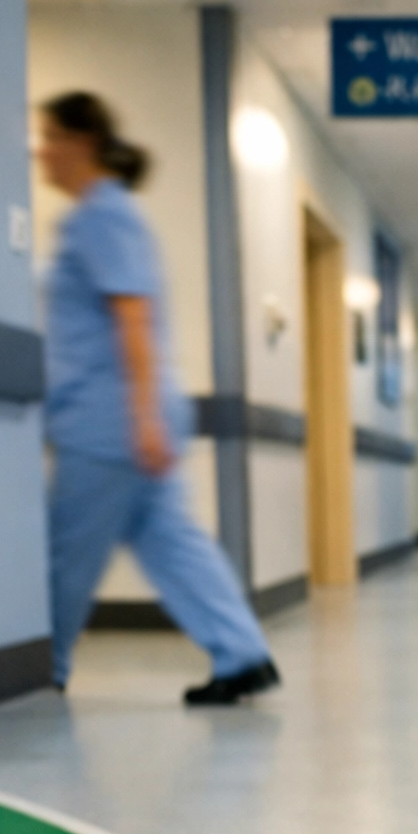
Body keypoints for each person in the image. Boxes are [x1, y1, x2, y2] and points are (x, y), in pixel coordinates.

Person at [38, 91, 280, 705]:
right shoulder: (109, 214)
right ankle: (241, 651)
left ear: (80, 143)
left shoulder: (100, 215)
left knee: (68, 550)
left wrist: (140, 418)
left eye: (50, 137)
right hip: (135, 416)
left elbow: (133, 318)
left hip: (110, 420)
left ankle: (45, 667)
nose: (41, 152)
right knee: (171, 540)